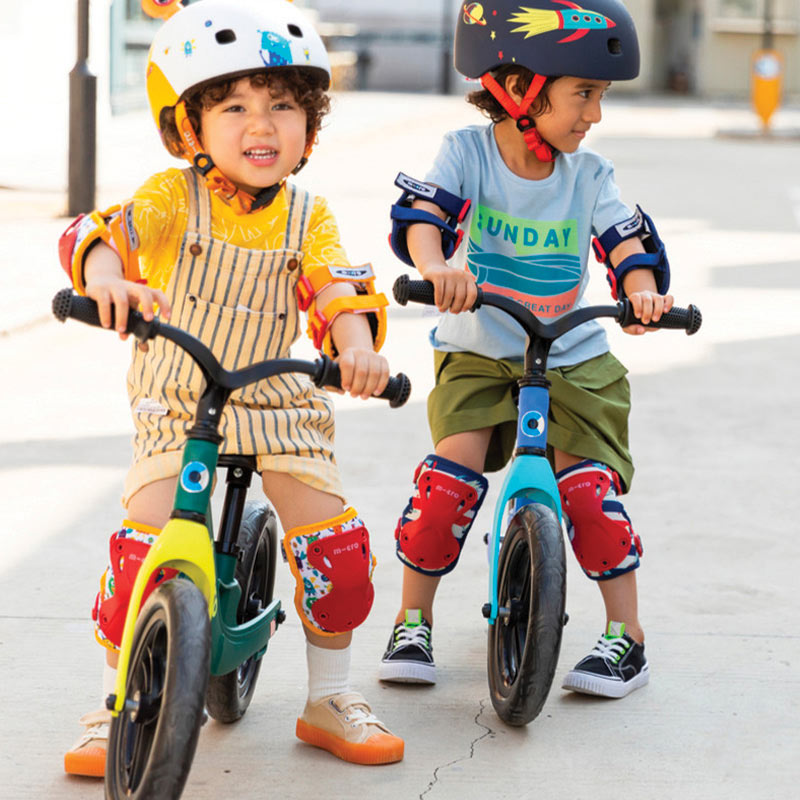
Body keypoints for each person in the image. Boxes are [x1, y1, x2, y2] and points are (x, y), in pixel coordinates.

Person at [60, 0, 403, 776]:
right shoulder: (172, 198)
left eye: (283, 105)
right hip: (178, 401)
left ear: (308, 127)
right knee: (143, 543)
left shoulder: (308, 217)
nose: (263, 124)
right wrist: (110, 281)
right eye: (236, 105)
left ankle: (329, 697)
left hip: (276, 399)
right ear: (190, 128)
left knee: (336, 550)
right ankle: (116, 695)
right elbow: (100, 234)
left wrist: (356, 351)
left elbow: (339, 293)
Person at [379, 0, 672, 701]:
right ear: (518, 89)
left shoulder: (589, 174)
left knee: (588, 494)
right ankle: (410, 619)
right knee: (446, 486)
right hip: (478, 349)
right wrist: (437, 267)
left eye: (599, 98)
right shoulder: (467, 152)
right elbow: (426, 219)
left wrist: (640, 290)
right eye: (583, 95)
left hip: (571, 353)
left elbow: (623, 241)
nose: (593, 115)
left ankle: (625, 639)